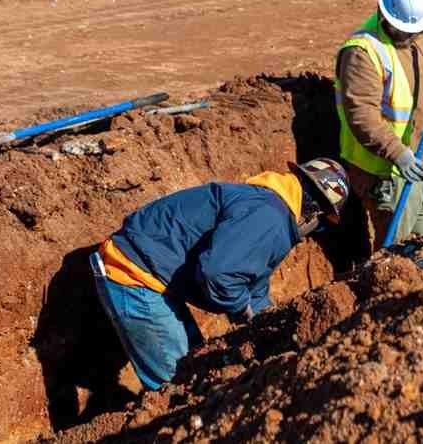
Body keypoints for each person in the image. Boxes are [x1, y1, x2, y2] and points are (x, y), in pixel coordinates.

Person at [89, 157, 350, 391]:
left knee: (195, 366)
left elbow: (253, 283)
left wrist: (267, 324)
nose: (315, 234)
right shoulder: (270, 217)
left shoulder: (269, 207)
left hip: (153, 271)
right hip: (134, 274)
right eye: (321, 226)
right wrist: (241, 310)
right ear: (314, 213)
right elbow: (218, 274)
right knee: (179, 388)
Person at [335, 0, 423, 255]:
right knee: (395, 258)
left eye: (413, 29)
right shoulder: (364, 51)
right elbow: (361, 115)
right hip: (393, 174)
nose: (409, 34)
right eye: (402, 28)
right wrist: (399, 154)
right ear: (384, 13)